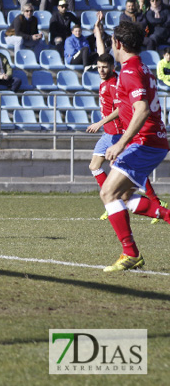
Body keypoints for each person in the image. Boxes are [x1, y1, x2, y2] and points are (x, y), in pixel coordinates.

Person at [95, 21, 170, 272]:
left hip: (145, 142)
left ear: (118, 44)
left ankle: (130, 253)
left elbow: (142, 109)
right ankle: (166, 216)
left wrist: (121, 144)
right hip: (151, 141)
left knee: (108, 193)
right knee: (124, 197)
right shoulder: (141, 67)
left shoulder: (129, 71)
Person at [86, 53, 162, 223]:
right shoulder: (105, 79)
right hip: (108, 132)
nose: (101, 70)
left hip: (116, 132)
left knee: (127, 171)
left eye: (104, 67)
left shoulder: (114, 84)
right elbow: (102, 53)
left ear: (112, 67)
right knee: (95, 165)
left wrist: (99, 122)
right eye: (98, 67)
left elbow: (121, 108)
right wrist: (97, 32)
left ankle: (152, 202)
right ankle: (111, 200)